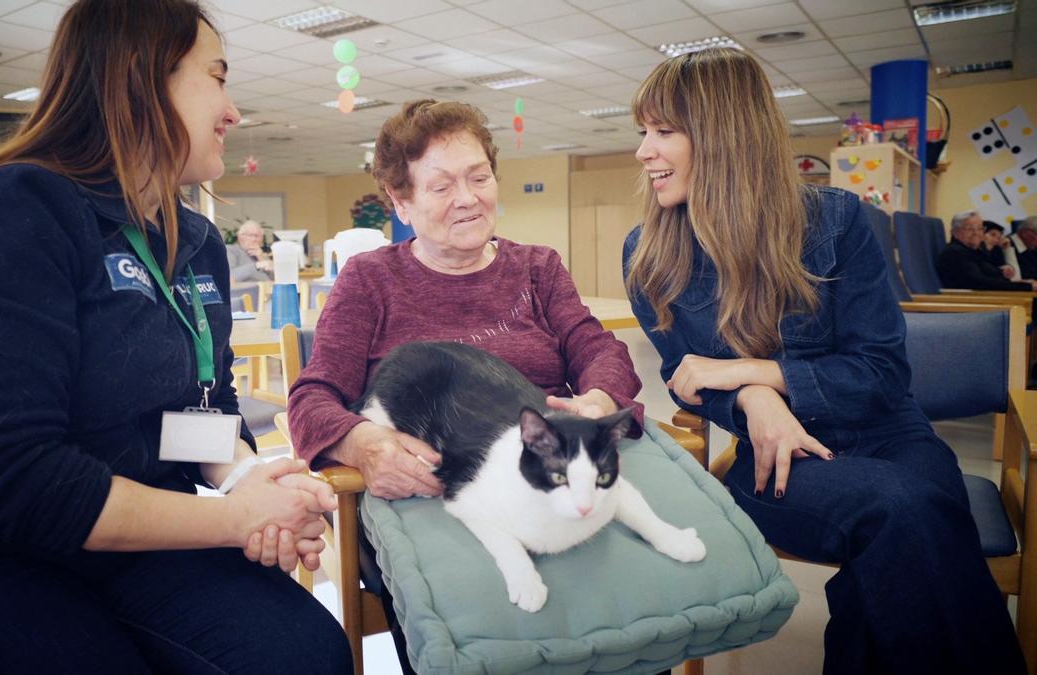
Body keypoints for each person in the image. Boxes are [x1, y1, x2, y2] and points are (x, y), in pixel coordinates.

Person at [0, 2, 351, 673]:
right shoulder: (15, 209)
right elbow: (14, 479)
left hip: (108, 524)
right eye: (217, 78)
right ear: (142, 78)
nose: (233, 113)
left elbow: (197, 408)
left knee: (304, 652)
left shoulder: (192, 242)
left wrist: (253, 480)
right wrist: (237, 519)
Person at [622, 48, 1024, 675]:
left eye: (664, 131)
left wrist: (747, 371)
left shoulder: (836, 220)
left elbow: (883, 373)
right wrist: (753, 397)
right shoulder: (648, 255)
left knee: (910, 527)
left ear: (726, 134)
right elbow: (689, 380)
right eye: (642, 131)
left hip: (893, 433)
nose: (644, 150)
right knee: (913, 513)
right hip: (779, 459)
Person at [287, 99, 641, 501]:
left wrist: (597, 400)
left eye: (479, 177)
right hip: (435, 489)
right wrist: (364, 444)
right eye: (441, 187)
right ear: (401, 202)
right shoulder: (369, 280)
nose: (468, 199)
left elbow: (600, 352)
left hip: (549, 477)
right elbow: (311, 401)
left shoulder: (537, 268)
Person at [937, 210, 1036, 291]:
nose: (976, 233)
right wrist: (1025, 287)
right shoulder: (955, 253)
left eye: (980, 228)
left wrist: (1002, 272)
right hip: (973, 303)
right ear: (955, 232)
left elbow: (987, 275)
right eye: (969, 229)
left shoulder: (973, 251)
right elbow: (979, 283)